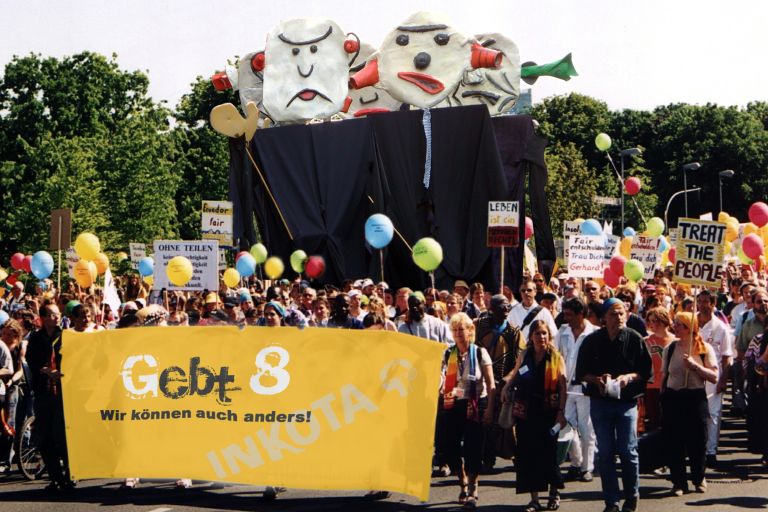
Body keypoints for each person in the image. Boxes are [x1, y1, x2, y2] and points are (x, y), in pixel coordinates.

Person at [575, 299, 652, 512]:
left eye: (621, 313)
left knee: (628, 451)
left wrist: (629, 377)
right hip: (600, 404)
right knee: (606, 453)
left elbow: (645, 372)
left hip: (626, 403)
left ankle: (632, 496)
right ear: (604, 318)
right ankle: (611, 502)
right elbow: (581, 373)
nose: (618, 318)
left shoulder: (635, 339)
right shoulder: (591, 341)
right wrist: (597, 379)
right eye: (613, 314)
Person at [502, 319, 567, 512]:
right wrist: (506, 387)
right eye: (537, 333)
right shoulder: (525, 354)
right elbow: (515, 375)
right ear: (531, 336)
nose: (541, 337)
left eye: (544, 333)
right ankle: (534, 499)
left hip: (548, 411)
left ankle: (554, 494)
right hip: (526, 411)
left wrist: (561, 413)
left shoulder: (556, 357)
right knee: (527, 455)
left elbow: (563, 388)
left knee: (548, 454)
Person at [441, 313, 495, 508]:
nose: (458, 334)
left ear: (470, 331)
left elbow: (490, 385)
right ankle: (461, 477)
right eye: (454, 330)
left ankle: (472, 487)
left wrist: (490, 409)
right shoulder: (448, 354)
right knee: (450, 446)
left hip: (476, 404)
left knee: (473, 447)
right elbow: (443, 379)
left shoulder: (480, 352)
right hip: (454, 404)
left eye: (461, 329)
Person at [661, 312, 718, 495]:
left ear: (689, 328)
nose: (674, 327)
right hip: (673, 398)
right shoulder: (669, 349)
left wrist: (695, 366)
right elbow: (664, 376)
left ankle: (698, 477)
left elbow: (714, 376)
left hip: (694, 398)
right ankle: (678, 482)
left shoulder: (704, 348)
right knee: (674, 441)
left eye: (679, 324)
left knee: (697, 441)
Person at [25, 304, 75, 492]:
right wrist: (44, 370)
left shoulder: (66, 336)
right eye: (53, 314)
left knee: (62, 436)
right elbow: (31, 359)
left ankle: (71, 474)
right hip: (43, 392)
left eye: (58, 314)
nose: (56, 317)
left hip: (63, 393)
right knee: (45, 436)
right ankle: (55, 477)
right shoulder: (36, 338)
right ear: (44, 317)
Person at [474, 294, 524, 471]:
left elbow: (519, 360)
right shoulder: (479, 326)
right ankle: (487, 459)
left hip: (503, 385)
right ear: (492, 309)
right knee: (484, 422)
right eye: (501, 306)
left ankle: (517, 456)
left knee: (506, 423)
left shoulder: (513, 332)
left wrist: (509, 379)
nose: (506, 310)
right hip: (481, 382)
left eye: (507, 306)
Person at [555, 297, 598, 482]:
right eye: (564, 314)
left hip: (585, 389)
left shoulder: (594, 334)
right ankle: (576, 462)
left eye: (570, 315)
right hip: (566, 388)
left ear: (581, 314)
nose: (566, 318)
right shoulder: (562, 332)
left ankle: (587, 467)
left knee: (586, 429)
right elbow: (556, 356)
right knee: (567, 427)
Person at [696, 290, 733, 466]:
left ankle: (711, 451)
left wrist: (723, 380)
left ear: (713, 304)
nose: (702, 305)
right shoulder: (691, 323)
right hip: (693, 375)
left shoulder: (721, 327)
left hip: (713, 376)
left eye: (706, 302)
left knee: (712, 414)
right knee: (693, 414)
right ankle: (695, 449)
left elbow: (727, 356)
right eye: (700, 301)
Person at [643, 307, 675, 432]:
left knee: (669, 419)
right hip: (652, 386)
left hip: (670, 385)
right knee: (654, 421)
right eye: (649, 321)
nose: (650, 324)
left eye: (653, 321)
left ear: (662, 321)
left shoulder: (675, 340)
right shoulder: (646, 341)